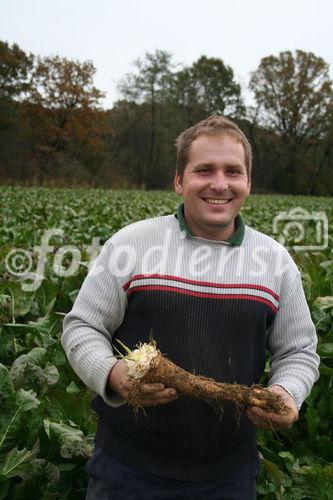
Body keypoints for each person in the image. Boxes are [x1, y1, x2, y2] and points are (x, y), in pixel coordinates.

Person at [62, 115, 319, 499]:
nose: (219, 183)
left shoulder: (275, 261)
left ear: (248, 182)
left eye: (233, 171)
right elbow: (82, 327)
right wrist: (114, 376)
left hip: (228, 476)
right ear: (179, 181)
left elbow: (299, 351)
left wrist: (288, 391)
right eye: (204, 170)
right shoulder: (132, 243)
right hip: (128, 471)